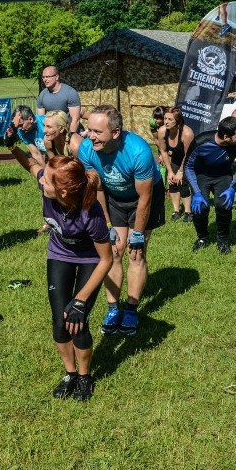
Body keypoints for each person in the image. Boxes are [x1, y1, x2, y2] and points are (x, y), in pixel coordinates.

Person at [12, 149, 113, 401]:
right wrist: (12, 144)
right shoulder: (48, 184)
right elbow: (30, 165)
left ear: (63, 191)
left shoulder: (91, 213)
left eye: (46, 180)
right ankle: (69, 373)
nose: (41, 181)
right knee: (60, 322)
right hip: (59, 254)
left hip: (91, 259)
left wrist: (80, 301)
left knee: (76, 322)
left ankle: (84, 377)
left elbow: (106, 259)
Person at [70, 105, 165, 336]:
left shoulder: (138, 151)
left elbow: (144, 198)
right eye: (89, 130)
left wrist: (138, 234)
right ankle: (113, 308)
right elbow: (98, 188)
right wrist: (108, 224)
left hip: (144, 198)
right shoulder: (87, 150)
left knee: (136, 252)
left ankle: (131, 309)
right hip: (113, 196)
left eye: (97, 132)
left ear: (115, 133)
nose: (90, 136)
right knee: (113, 252)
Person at [184, 116, 236, 254]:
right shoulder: (201, 141)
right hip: (202, 175)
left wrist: (233, 187)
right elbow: (188, 166)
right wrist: (196, 192)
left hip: (223, 176)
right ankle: (203, 238)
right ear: (226, 137)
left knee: (223, 205)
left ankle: (222, 240)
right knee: (200, 208)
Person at [157, 106, 194, 221]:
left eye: (170, 119)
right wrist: (170, 172)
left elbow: (188, 155)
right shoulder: (162, 131)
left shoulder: (187, 133)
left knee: (183, 182)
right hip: (176, 157)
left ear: (177, 122)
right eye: (165, 118)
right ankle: (176, 211)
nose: (166, 122)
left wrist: (181, 171)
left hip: (190, 158)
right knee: (172, 182)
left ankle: (188, 212)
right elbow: (163, 151)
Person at [37, 66, 82, 134]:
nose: (45, 80)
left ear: (57, 77)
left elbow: (75, 119)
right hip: (52, 133)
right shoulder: (42, 95)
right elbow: (41, 120)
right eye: (43, 77)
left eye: (48, 77)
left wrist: (72, 137)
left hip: (69, 131)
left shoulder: (70, 93)